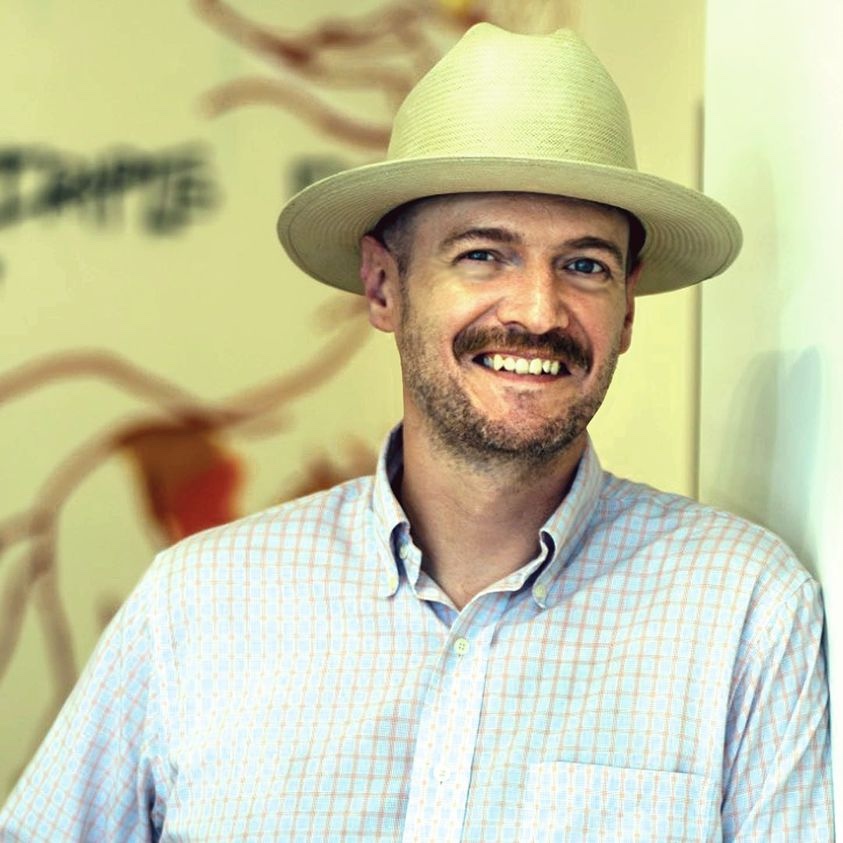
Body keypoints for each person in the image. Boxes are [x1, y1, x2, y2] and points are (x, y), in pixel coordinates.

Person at [0, 24, 832, 842]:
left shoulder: (744, 613)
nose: (538, 311)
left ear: (625, 312)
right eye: (482, 255)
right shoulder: (193, 605)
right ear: (382, 286)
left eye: (584, 265)